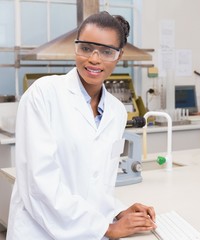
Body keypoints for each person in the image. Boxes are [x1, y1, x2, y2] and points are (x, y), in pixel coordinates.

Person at [7, 11, 156, 239]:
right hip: (39, 231)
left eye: (106, 52)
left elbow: (96, 182)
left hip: (88, 230)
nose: (94, 59)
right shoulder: (43, 94)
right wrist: (106, 228)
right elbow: (40, 185)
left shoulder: (115, 111)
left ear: (119, 56)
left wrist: (117, 212)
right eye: (86, 48)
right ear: (75, 47)